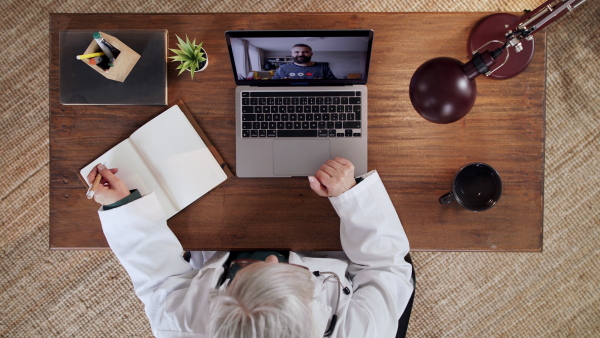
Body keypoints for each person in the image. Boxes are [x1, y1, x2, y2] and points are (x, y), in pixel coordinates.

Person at [88, 157, 413, 337]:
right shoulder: (366, 332)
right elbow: (386, 267)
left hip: (222, 234)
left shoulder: (177, 329)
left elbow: (160, 280)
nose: (271, 258)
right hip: (324, 250)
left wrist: (123, 208)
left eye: (243, 273)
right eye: (286, 273)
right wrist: (349, 196)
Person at [272, 43, 337, 80]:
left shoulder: (323, 67)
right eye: (297, 52)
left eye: (305, 52)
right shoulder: (283, 68)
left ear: (311, 54)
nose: (301, 54)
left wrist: (323, 82)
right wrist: (282, 83)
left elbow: (335, 83)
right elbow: (273, 84)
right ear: (292, 54)